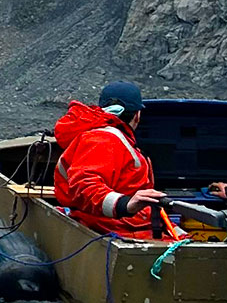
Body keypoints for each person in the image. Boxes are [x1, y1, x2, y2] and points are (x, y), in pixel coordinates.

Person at [53, 81, 167, 238]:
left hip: (128, 224)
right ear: (137, 115)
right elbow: (85, 185)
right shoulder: (104, 139)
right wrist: (124, 204)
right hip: (119, 228)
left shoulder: (107, 138)